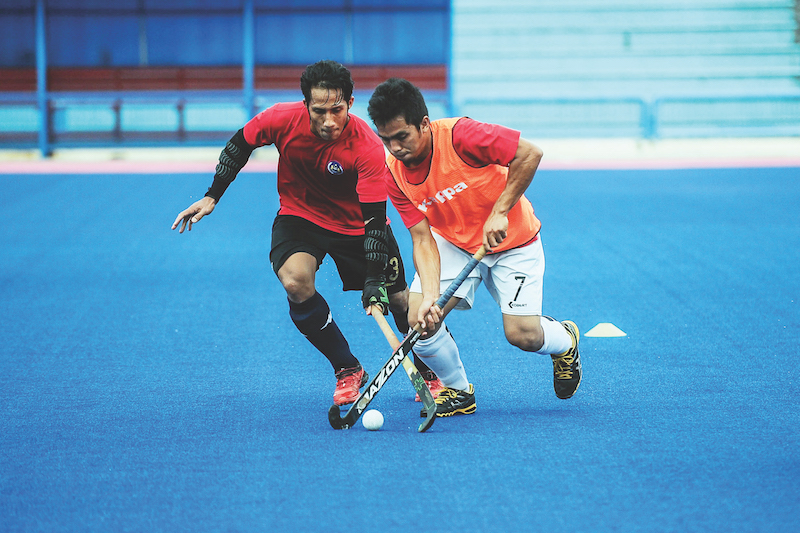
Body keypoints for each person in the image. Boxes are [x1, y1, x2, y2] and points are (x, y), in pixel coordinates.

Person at [171, 61, 443, 406]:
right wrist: (213, 195)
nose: (329, 121)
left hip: (358, 226)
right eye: (319, 111)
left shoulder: (367, 147)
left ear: (351, 104)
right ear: (305, 105)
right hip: (301, 216)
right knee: (295, 282)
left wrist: (374, 280)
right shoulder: (281, 119)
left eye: (337, 110)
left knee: (401, 301)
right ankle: (347, 368)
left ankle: (427, 371)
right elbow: (239, 145)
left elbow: (374, 219)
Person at [367, 78, 582, 417]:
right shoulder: (393, 173)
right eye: (386, 139)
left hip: (514, 240)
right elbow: (422, 237)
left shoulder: (461, 136)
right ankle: (457, 391)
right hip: (453, 242)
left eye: (402, 136)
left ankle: (565, 340)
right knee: (419, 319)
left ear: (423, 124)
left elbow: (529, 154)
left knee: (522, 335)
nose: (395, 148)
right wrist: (430, 299)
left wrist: (500, 211)